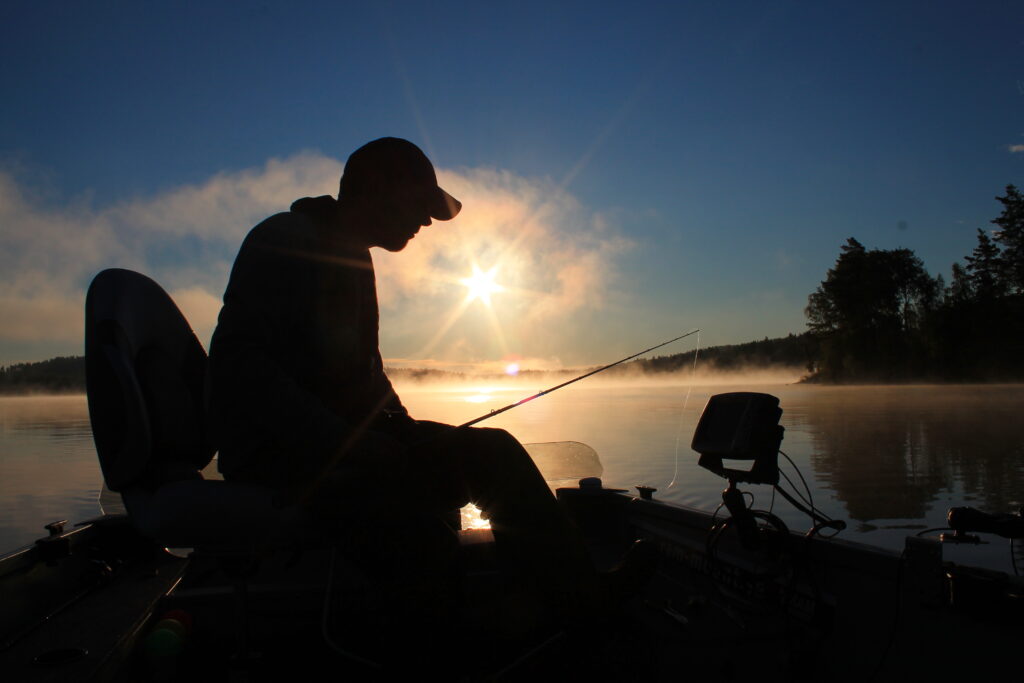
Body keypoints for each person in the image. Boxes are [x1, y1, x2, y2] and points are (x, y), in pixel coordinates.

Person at [207, 138, 612, 636]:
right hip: (287, 464)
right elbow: (241, 372)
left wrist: (402, 428)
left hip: (341, 448)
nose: (426, 221)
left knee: (495, 452)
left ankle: (573, 603)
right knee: (421, 540)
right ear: (377, 188)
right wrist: (353, 445)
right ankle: (475, 637)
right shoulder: (287, 239)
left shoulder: (352, 255)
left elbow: (366, 378)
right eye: (421, 204)